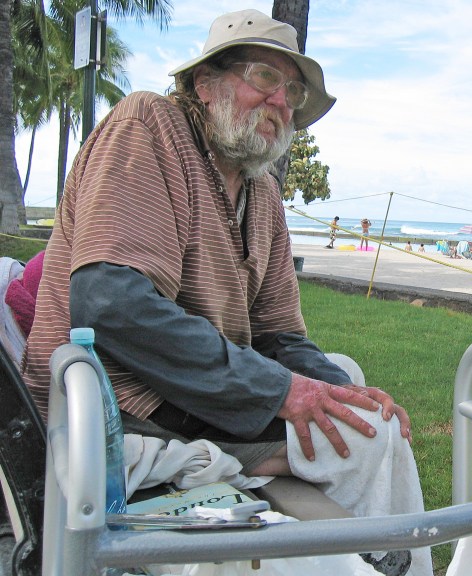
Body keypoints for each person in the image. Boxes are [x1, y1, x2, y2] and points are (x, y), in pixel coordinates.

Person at [22, 10, 429, 575]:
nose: (282, 101)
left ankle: (357, 553)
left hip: (191, 399)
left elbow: (279, 334)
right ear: (204, 83)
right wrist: (283, 393)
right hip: (124, 412)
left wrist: (336, 391)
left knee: (349, 381)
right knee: (368, 441)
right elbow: (112, 304)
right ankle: (387, 562)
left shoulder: (261, 190)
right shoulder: (148, 126)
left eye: (292, 91)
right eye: (265, 76)